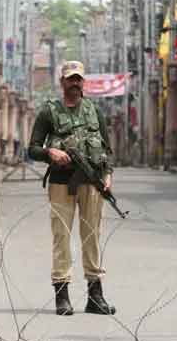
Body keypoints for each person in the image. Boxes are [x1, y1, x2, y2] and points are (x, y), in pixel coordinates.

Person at [28, 61, 116, 316]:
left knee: (93, 238)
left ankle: (95, 297)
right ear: (62, 82)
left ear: (83, 82)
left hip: (93, 182)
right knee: (62, 236)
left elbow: (107, 150)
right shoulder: (49, 112)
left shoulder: (94, 110)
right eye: (70, 79)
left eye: (78, 79)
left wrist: (108, 175)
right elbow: (32, 148)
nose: (75, 83)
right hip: (60, 182)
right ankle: (62, 295)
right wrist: (50, 152)